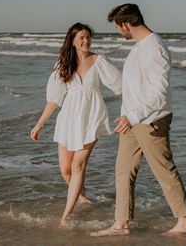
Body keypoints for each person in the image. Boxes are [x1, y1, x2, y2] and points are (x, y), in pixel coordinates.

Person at [91, 3, 186, 237]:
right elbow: (133, 87)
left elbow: (159, 93)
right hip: (132, 120)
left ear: (126, 24)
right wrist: (126, 113)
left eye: (118, 27)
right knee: (123, 170)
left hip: (151, 121)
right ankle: (121, 223)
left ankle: (184, 220)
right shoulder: (139, 47)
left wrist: (133, 115)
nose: (119, 31)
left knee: (163, 169)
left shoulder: (155, 48)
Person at [30, 22, 121, 226]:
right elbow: (53, 100)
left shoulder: (98, 61)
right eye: (81, 37)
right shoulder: (63, 64)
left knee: (78, 165)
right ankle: (81, 195)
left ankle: (66, 215)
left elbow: (121, 84)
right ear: (72, 40)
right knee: (66, 171)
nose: (85, 41)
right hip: (68, 119)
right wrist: (39, 125)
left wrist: (133, 112)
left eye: (88, 37)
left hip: (91, 118)